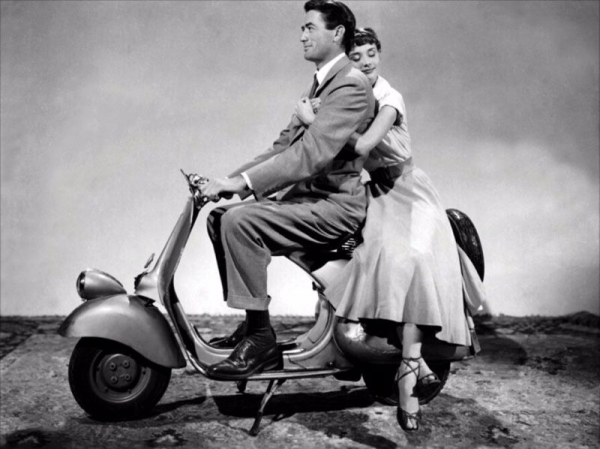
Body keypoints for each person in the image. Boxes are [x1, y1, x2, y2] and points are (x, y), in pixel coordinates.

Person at [296, 27, 484, 432]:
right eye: (356, 56)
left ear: (379, 55)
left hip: (410, 192)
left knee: (412, 260)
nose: (365, 62)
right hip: (377, 194)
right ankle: (388, 357)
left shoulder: (388, 97)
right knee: (366, 258)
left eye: (371, 54)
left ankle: (409, 373)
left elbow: (364, 146)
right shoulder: (347, 95)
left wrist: (316, 122)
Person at [198, 1, 375, 380]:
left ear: (337, 33)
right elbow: (283, 147)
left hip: (335, 206)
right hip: (310, 199)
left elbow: (311, 154)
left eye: (310, 27)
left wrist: (242, 185)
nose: (302, 36)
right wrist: (227, 183)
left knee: (241, 224)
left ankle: (261, 341)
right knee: (220, 218)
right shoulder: (323, 82)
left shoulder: (351, 85)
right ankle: (253, 322)